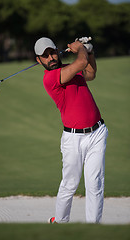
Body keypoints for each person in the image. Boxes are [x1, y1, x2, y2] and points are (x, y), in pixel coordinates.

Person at [34, 37, 108, 224]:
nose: (50, 57)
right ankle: (60, 222)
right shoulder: (50, 78)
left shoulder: (70, 69)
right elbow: (81, 62)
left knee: (95, 185)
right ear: (39, 60)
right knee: (70, 184)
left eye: (51, 52)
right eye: (45, 56)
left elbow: (90, 73)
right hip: (73, 139)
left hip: (97, 133)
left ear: (57, 51)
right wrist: (81, 49)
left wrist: (90, 52)